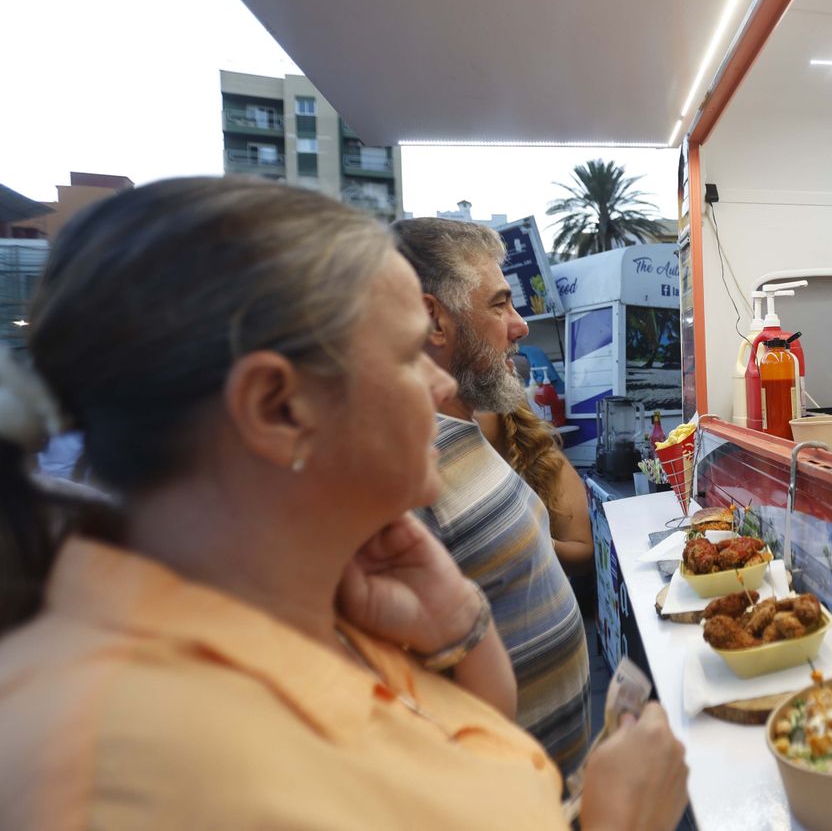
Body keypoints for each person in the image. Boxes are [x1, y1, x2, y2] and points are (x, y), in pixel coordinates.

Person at [0, 177, 687, 829]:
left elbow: (454, 776)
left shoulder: (300, 597)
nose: (440, 388)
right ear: (277, 407)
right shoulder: (141, 763)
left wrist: (464, 634)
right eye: (404, 353)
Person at [391, 217, 591, 776]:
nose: (520, 326)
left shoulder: (468, 429)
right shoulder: (405, 471)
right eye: (500, 304)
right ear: (434, 318)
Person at [478, 401, 595, 576]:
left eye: (470, 405)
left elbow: (583, 553)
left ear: (503, 409)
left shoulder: (543, 463)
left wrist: (536, 541)